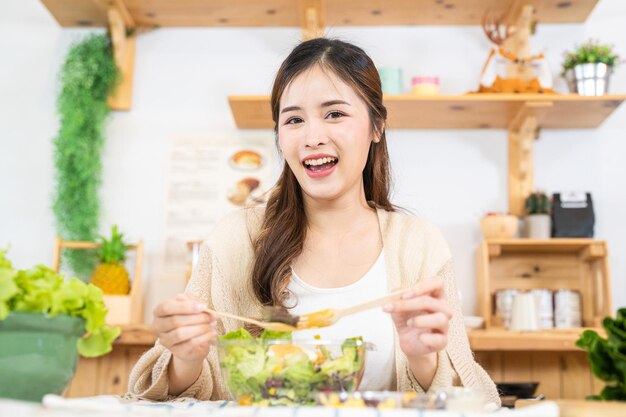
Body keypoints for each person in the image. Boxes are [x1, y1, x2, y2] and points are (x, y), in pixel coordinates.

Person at [128, 38, 499, 405]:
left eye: (334, 114)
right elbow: (171, 393)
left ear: (376, 126)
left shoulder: (419, 247)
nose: (312, 137)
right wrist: (185, 355)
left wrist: (423, 358)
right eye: (293, 120)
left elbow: (472, 401)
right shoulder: (235, 239)